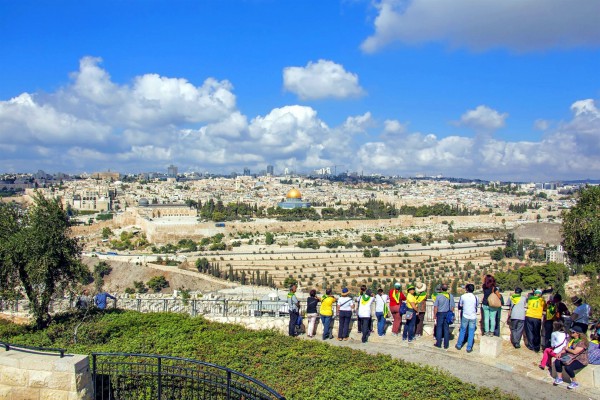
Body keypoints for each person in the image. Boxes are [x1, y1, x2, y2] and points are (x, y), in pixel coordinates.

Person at [553, 325, 589, 390]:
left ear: (578, 333)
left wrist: (567, 349)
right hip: (570, 357)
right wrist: (560, 353)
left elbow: (575, 352)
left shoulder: (582, 342)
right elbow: (566, 348)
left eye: (573, 332)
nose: (571, 333)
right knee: (557, 361)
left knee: (568, 367)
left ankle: (574, 382)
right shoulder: (571, 339)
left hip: (580, 360)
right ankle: (559, 378)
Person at [455, 283, 478, 353]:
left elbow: (460, 305)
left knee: (462, 330)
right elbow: (476, 305)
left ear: (467, 289)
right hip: (473, 316)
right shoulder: (476, 297)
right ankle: (469, 347)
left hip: (465, 315)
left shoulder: (463, 296)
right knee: (471, 332)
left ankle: (459, 345)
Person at [433, 284, 454, 349]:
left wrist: (435, 315)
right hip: (447, 313)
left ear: (441, 289)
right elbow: (452, 307)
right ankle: (446, 345)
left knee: (439, 328)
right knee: (446, 329)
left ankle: (438, 343)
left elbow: (436, 307)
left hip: (440, 313)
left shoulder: (438, 296)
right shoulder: (450, 296)